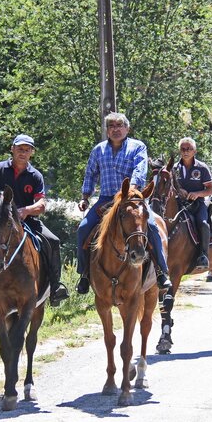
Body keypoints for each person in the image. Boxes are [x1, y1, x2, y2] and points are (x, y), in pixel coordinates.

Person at [0, 134, 69, 313]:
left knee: (53, 241)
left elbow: (41, 203)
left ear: (32, 153)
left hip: (28, 221)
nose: (23, 152)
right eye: (20, 149)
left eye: (27, 149)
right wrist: (5, 212)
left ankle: (55, 288)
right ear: (12, 149)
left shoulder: (35, 175)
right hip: (1, 222)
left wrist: (25, 211)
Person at [76, 112, 171, 294]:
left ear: (127, 128)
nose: (115, 129)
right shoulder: (98, 150)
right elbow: (90, 174)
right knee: (83, 229)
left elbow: (140, 171)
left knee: (151, 226)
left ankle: (161, 272)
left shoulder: (138, 147)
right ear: (107, 130)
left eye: (119, 125)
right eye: (111, 126)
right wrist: (85, 197)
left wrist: (131, 190)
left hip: (132, 198)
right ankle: (85, 274)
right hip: (106, 199)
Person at [174, 137, 212, 269]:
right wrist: (179, 190)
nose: (186, 152)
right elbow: (169, 187)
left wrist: (197, 194)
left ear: (194, 151)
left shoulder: (202, 168)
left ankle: (203, 255)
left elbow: (210, 189)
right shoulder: (174, 168)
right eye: (183, 149)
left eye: (189, 149)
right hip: (179, 204)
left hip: (197, 204)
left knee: (203, 224)